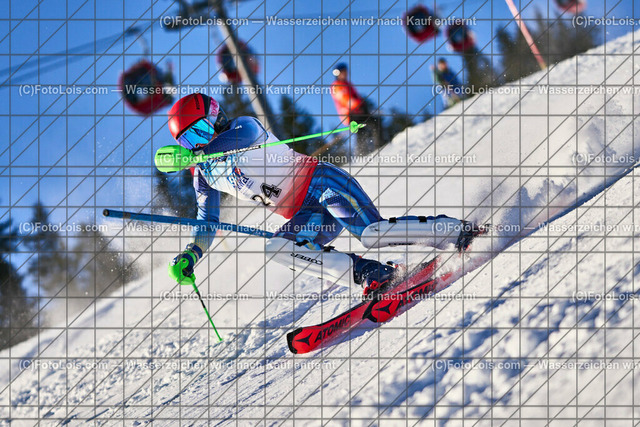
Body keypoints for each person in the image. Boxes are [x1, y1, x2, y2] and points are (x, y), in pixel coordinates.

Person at [166, 94, 484, 298]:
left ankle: (454, 230)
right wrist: (193, 253)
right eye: (188, 141)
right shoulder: (205, 173)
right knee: (278, 248)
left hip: (321, 183)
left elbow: (229, 145)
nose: (198, 144)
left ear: (216, 118)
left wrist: (195, 154)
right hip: (306, 214)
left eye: (200, 132)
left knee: (372, 233)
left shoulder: (243, 128)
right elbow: (207, 219)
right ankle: (369, 273)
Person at [330, 63, 381, 153]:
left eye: (346, 72)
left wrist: (363, 105)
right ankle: (363, 152)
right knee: (362, 129)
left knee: (373, 124)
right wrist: (359, 104)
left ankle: (377, 146)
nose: (345, 74)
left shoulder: (348, 84)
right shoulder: (337, 86)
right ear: (338, 74)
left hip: (358, 112)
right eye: (343, 72)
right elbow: (345, 100)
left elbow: (357, 97)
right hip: (349, 114)